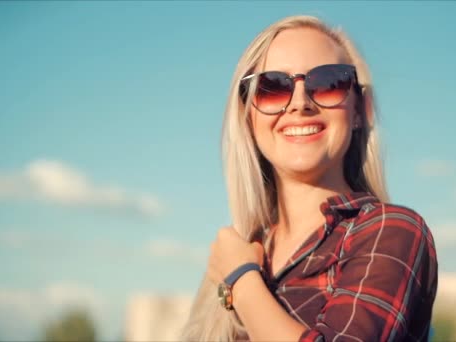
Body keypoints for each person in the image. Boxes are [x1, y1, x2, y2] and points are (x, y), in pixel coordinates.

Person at [181, 15, 438, 342]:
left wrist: (242, 282)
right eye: (272, 87)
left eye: (328, 83)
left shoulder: (392, 231)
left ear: (360, 110)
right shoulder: (243, 249)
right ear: (247, 117)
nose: (300, 103)